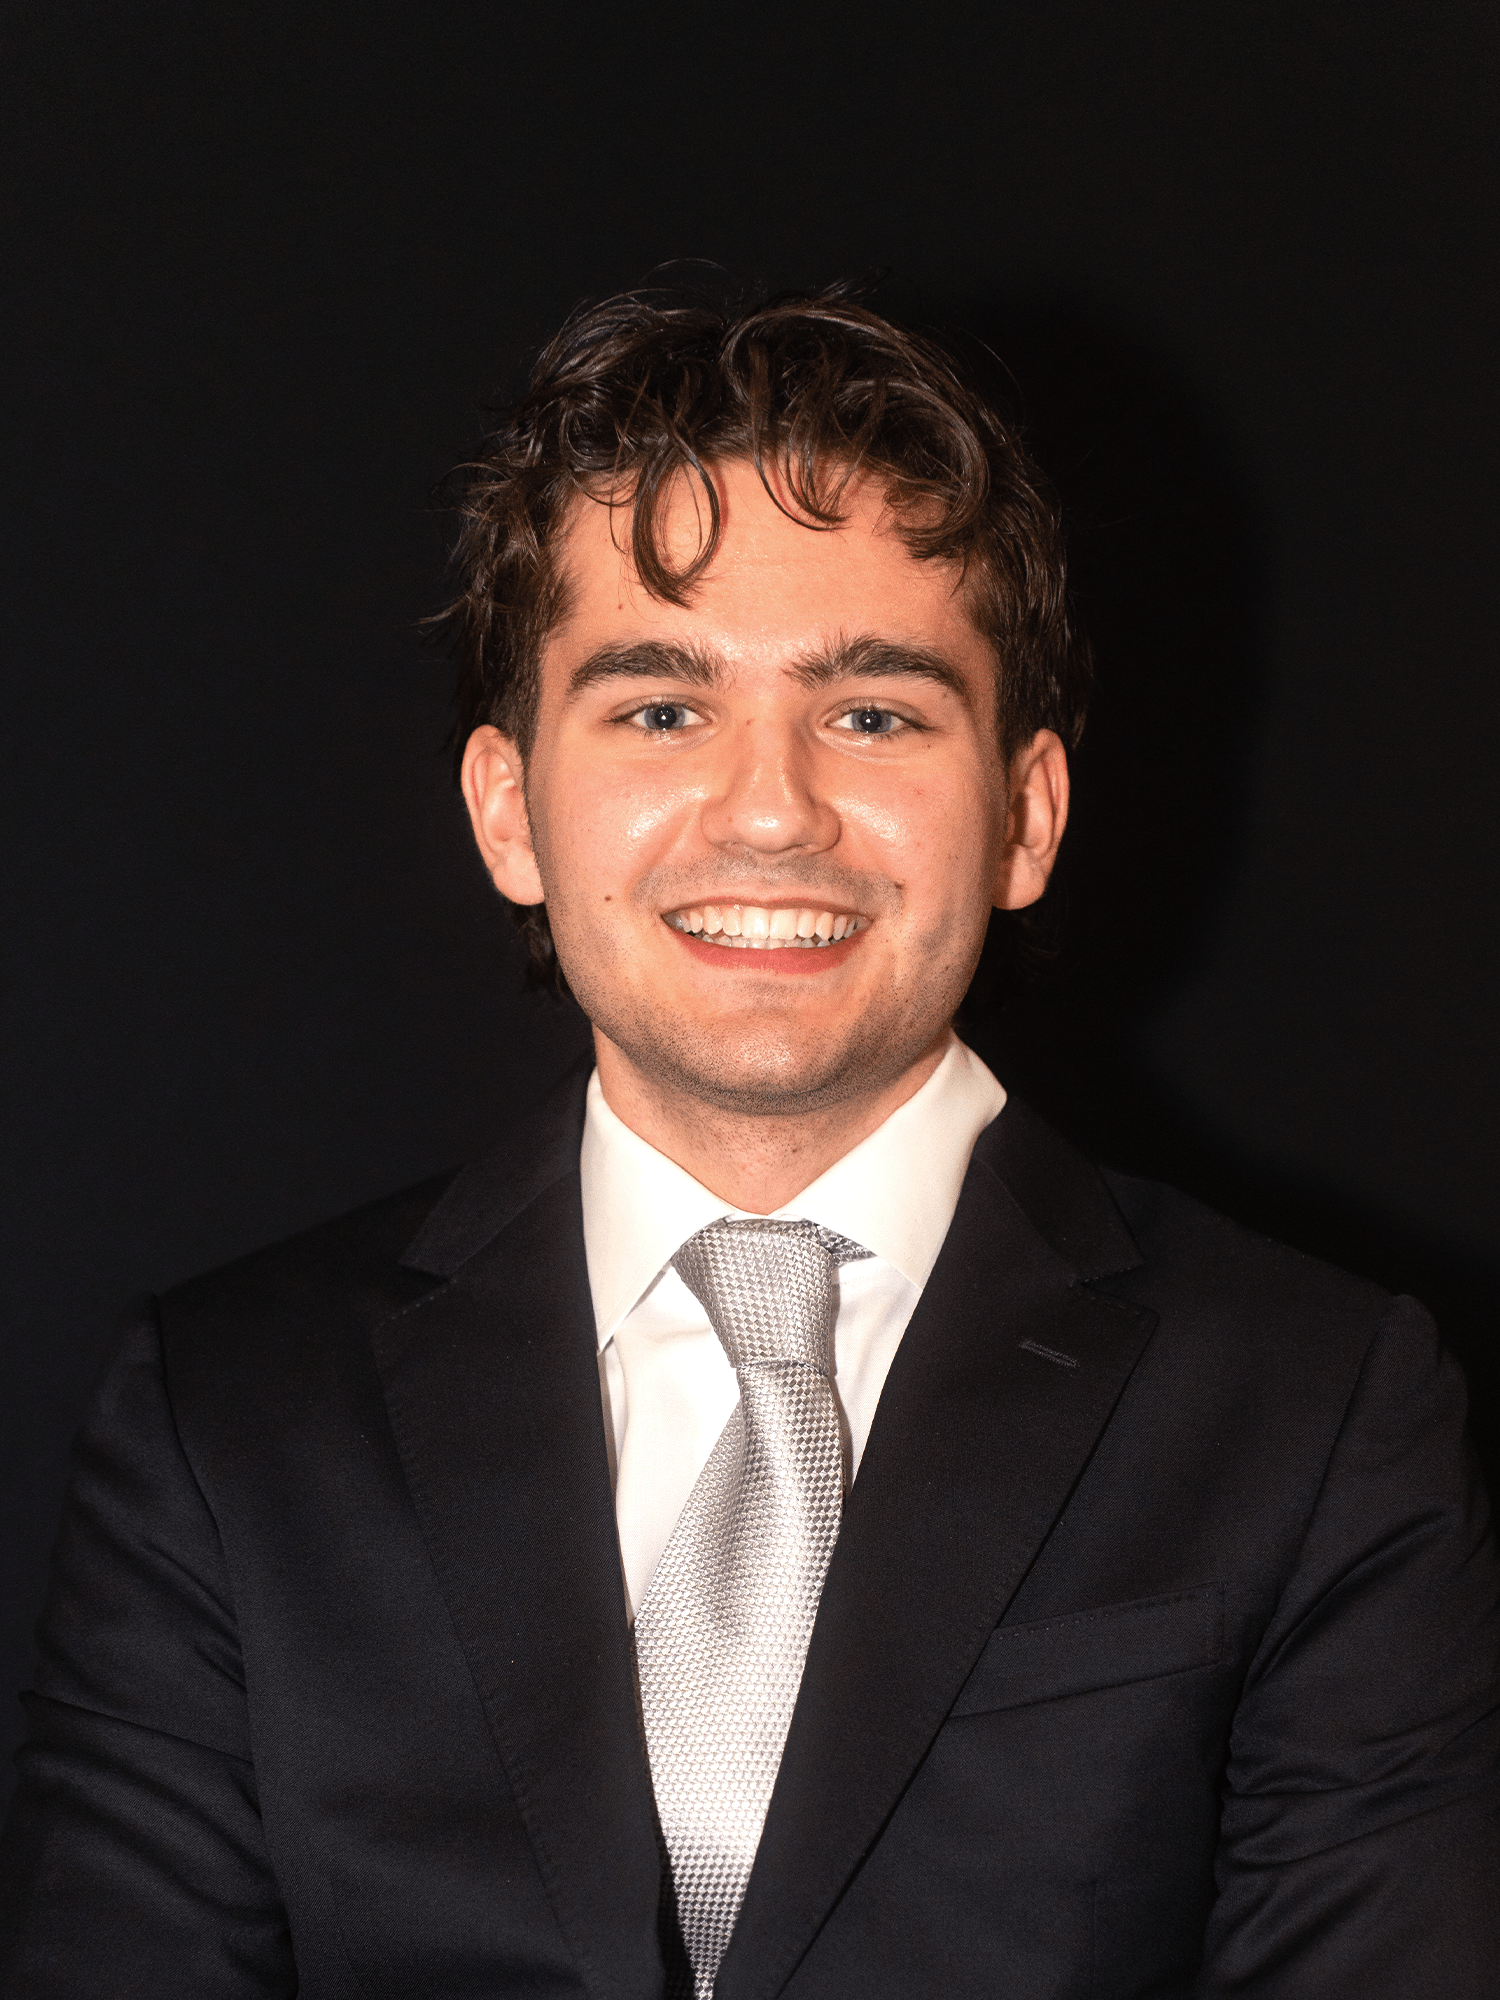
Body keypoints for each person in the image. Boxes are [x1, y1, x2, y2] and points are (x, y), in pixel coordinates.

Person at [1, 286, 1496, 2000]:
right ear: (509, 810)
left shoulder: (1322, 1412)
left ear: (1026, 816)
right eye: (660, 708)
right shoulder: (225, 1420)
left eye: (873, 713)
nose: (772, 809)